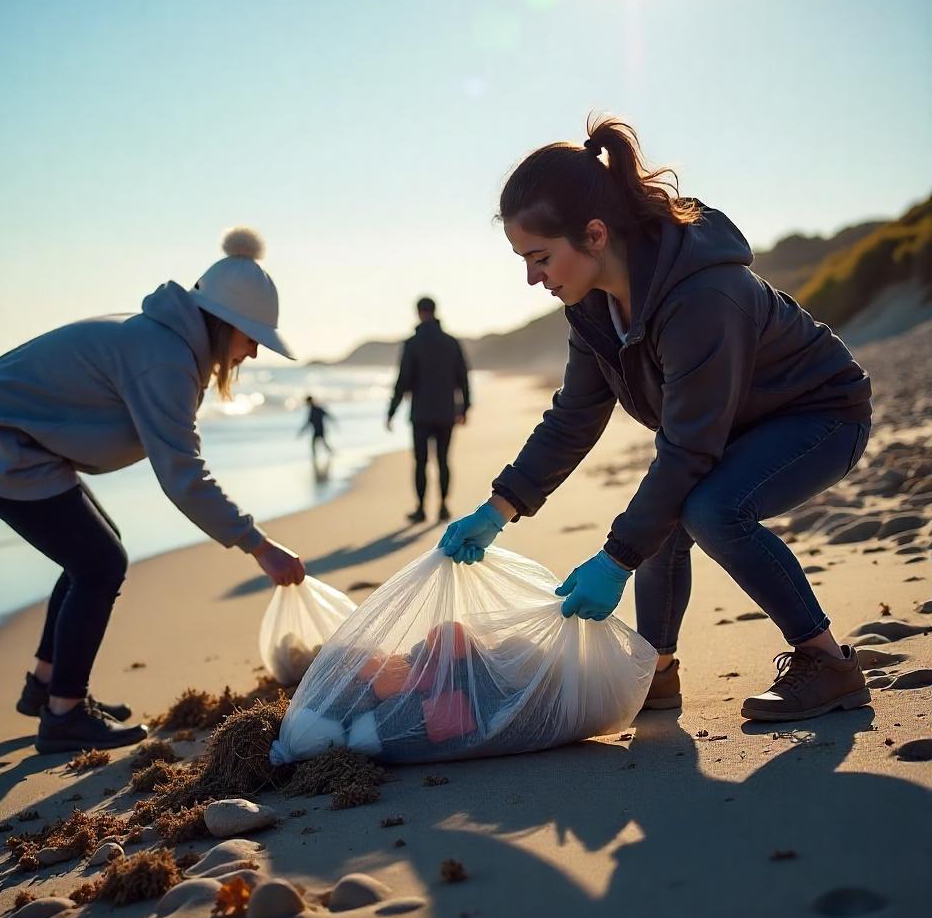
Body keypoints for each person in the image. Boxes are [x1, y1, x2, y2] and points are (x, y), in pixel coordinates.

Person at [440, 117, 873, 723]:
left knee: (708, 509)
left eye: (540, 257)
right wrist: (499, 508)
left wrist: (615, 560)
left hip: (819, 415)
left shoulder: (702, 296)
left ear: (593, 235)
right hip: (731, 426)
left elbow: (689, 452)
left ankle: (828, 663)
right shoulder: (592, 307)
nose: (532, 277)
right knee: (667, 514)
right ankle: (656, 672)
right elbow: (574, 418)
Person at [0, 227, 307, 753]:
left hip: (9, 438)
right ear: (224, 325)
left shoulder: (165, 340)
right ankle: (63, 712)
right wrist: (260, 546)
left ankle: (47, 686)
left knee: (94, 552)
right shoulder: (166, 359)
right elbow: (183, 474)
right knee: (100, 563)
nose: (253, 354)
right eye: (252, 339)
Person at [387, 296, 471, 523]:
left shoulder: (413, 343)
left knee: (421, 462)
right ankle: (443, 507)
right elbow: (463, 377)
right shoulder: (451, 342)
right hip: (446, 413)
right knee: (443, 461)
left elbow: (403, 380)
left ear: (418, 312)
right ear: (435, 311)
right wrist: (465, 408)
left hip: (421, 414)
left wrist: (391, 411)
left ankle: (421, 509)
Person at [300, 395, 335, 463]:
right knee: (322, 443)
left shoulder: (315, 409)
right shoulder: (315, 409)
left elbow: (308, 422)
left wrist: (302, 431)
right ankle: (329, 454)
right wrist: (302, 430)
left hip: (319, 430)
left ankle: (315, 457)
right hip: (318, 429)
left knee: (317, 444)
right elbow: (327, 415)